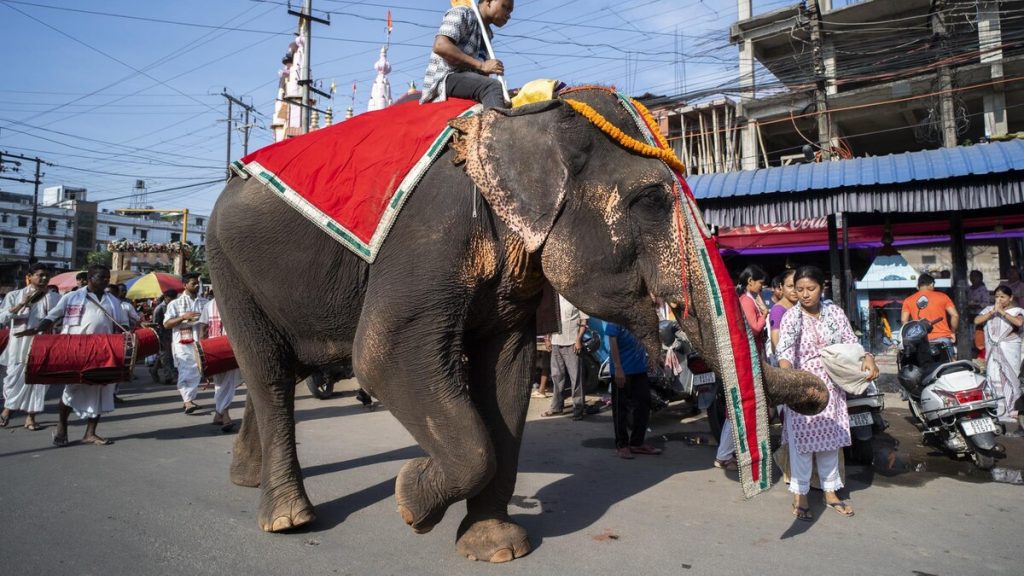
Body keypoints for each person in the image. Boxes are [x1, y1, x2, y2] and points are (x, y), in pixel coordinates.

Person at [776, 265, 878, 521]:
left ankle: (830, 492)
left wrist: (868, 357)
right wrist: (789, 379)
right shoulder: (792, 317)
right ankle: (800, 495)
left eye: (810, 289)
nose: (805, 294)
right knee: (802, 444)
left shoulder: (834, 312)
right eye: (799, 290)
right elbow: (785, 352)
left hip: (832, 385)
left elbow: (850, 341)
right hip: (803, 388)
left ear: (822, 288)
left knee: (829, 442)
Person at [19, 264, 128, 446]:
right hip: (77, 350)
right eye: (102, 277)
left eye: (108, 278)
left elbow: (123, 325)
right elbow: (52, 316)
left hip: (104, 352)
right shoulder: (72, 297)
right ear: (91, 278)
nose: (106, 281)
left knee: (100, 389)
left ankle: (90, 433)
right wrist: (37, 331)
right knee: (71, 389)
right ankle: (62, 429)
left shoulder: (113, 301)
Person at [715, 265, 768, 469]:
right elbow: (754, 329)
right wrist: (765, 314)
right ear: (750, 282)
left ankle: (730, 453)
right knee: (738, 408)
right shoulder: (746, 301)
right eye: (760, 283)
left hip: (747, 359)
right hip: (745, 361)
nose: (762, 287)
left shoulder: (748, 299)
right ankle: (724, 455)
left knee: (740, 408)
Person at [589, 317, 661, 459]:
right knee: (620, 408)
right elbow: (612, 341)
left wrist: (651, 357)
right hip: (622, 370)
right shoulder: (616, 317)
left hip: (639, 368)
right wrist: (618, 368)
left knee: (644, 404)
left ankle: (637, 443)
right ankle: (622, 445)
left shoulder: (639, 316)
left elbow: (645, 337)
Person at [420, 0, 514, 109]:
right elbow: (440, 46)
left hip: (467, 82)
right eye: (505, 7)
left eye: (510, 11)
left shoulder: (488, 33)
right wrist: (482, 65)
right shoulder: (462, 13)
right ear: (488, 2)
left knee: (499, 93)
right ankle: (496, 125)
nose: (508, 15)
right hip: (445, 78)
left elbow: (480, 76)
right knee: (491, 86)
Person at [0, 263, 60, 431]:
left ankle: (31, 417)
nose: (44, 278)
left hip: (44, 344)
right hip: (19, 345)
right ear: (30, 276)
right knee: (14, 378)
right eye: (40, 275)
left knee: (39, 380)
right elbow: (2, 318)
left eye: (47, 275)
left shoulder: (55, 298)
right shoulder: (14, 295)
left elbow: (61, 319)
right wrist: (22, 304)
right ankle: (7, 410)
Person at [976, 285, 1023, 435]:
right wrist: (992, 312)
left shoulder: (1016, 311)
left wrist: (1002, 312)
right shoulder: (989, 310)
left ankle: (1013, 410)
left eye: (1002, 297)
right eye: (996, 296)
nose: (999, 299)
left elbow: (1019, 323)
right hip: (992, 353)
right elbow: (977, 320)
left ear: (1010, 298)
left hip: (1010, 351)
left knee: (1011, 379)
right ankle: (997, 410)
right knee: (993, 378)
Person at [163, 273, 209, 414]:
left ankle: (188, 400)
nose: (196, 285)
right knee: (186, 370)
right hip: (182, 343)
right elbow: (166, 324)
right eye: (193, 283)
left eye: (197, 283)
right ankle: (188, 402)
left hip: (200, 342)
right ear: (184, 285)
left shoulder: (204, 302)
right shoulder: (175, 303)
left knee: (196, 371)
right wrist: (183, 317)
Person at [196, 289, 240, 433]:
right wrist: (202, 352)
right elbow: (203, 329)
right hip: (214, 349)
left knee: (224, 383)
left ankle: (218, 414)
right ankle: (225, 415)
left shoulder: (233, 305)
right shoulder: (208, 306)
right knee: (222, 383)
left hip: (230, 347)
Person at [540, 293, 588, 420]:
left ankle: (578, 410)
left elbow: (584, 321)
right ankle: (556, 408)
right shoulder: (554, 299)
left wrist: (578, 339)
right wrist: (547, 338)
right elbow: (549, 320)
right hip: (556, 343)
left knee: (576, 378)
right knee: (557, 377)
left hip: (572, 343)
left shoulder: (577, 297)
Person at [901, 273, 959, 359]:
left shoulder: (908, 300)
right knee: (949, 367)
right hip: (942, 339)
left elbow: (904, 321)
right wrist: (952, 332)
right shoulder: (943, 297)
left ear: (918, 286)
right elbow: (955, 315)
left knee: (924, 368)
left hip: (920, 341)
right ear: (931, 284)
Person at [150, 289, 178, 385]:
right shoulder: (159, 308)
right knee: (166, 356)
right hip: (163, 335)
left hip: (172, 334)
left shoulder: (174, 306)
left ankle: (154, 370)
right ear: (166, 297)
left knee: (166, 355)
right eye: (172, 298)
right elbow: (155, 324)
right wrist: (159, 336)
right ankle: (168, 377)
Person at [769, 269, 798, 352]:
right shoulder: (778, 310)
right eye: (790, 286)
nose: (794, 290)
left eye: (797, 286)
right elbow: (775, 342)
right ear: (781, 286)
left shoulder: (801, 306)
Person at [967, 270, 990, 359]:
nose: (972, 278)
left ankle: (981, 355)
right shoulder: (969, 289)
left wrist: (976, 305)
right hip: (970, 316)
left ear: (980, 278)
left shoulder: (983, 290)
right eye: (971, 276)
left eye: (975, 276)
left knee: (979, 336)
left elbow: (986, 303)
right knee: (971, 336)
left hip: (980, 316)